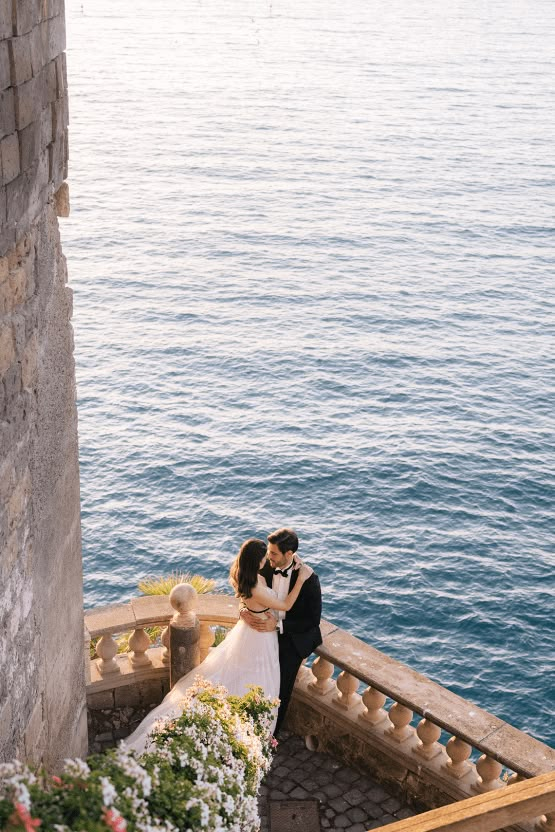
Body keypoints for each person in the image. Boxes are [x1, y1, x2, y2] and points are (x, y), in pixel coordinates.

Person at [125, 538, 313, 752]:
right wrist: (302, 579)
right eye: (264, 557)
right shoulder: (255, 585)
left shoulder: (246, 577)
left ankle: (243, 730)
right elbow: (286, 604)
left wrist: (245, 609)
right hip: (259, 638)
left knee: (242, 676)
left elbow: (247, 598)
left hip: (250, 632)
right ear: (255, 561)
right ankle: (248, 736)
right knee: (258, 681)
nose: (267, 560)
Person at [240, 528, 322, 733]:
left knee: (279, 691)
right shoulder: (266, 566)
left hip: (291, 638)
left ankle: (271, 736)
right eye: (269, 552)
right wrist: (243, 609)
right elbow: (248, 590)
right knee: (252, 679)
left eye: (274, 553)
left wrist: (278, 626)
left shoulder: (309, 579)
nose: (269, 557)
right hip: (262, 634)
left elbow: (312, 620)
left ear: (289, 554)